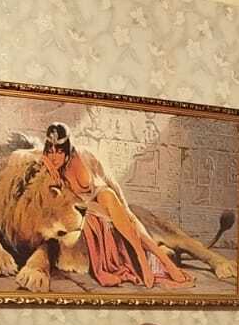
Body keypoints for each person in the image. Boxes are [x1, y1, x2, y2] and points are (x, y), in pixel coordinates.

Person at [40, 124, 191, 289]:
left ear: (67, 149)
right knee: (119, 216)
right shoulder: (51, 168)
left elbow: (110, 182)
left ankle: (150, 258)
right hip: (87, 205)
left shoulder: (85, 156)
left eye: (59, 151)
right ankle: (159, 261)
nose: (54, 157)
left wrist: (126, 209)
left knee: (114, 202)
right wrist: (46, 163)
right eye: (50, 151)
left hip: (102, 194)